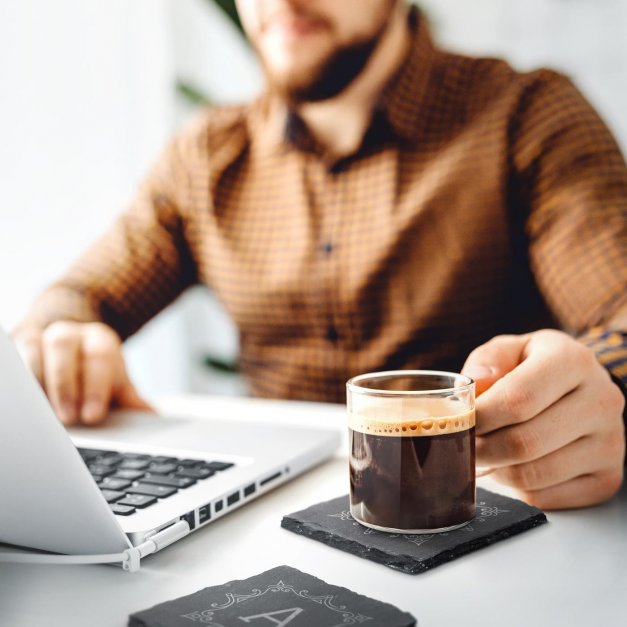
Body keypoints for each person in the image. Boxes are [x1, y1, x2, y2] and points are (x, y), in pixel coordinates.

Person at [14, 0, 626, 510]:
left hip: (477, 524)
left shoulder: (527, 116)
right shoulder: (203, 157)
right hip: (261, 535)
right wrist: (57, 334)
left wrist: (592, 387)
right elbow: (79, 296)